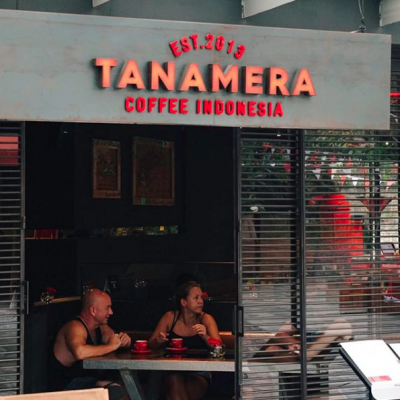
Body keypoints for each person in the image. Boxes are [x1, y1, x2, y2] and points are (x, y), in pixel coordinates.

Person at [148, 281, 222, 400]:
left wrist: (206, 337)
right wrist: (158, 340)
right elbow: (151, 345)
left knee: (174, 391)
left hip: (198, 372)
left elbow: (220, 349)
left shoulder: (206, 319)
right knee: (173, 378)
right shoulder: (170, 317)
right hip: (171, 369)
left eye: (202, 297)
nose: (201, 301)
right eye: (196, 297)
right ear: (184, 302)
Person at [52, 289, 131, 399]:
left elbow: (115, 340)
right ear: (93, 310)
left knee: (126, 386)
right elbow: (79, 352)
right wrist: (111, 346)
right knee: (116, 390)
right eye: (107, 308)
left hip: (88, 381)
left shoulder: (100, 327)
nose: (111, 312)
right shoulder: (75, 327)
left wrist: (125, 341)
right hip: (65, 387)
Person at [256, 318, 352, 362]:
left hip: (307, 353)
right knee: (277, 340)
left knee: (274, 346)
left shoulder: (340, 325)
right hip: (301, 348)